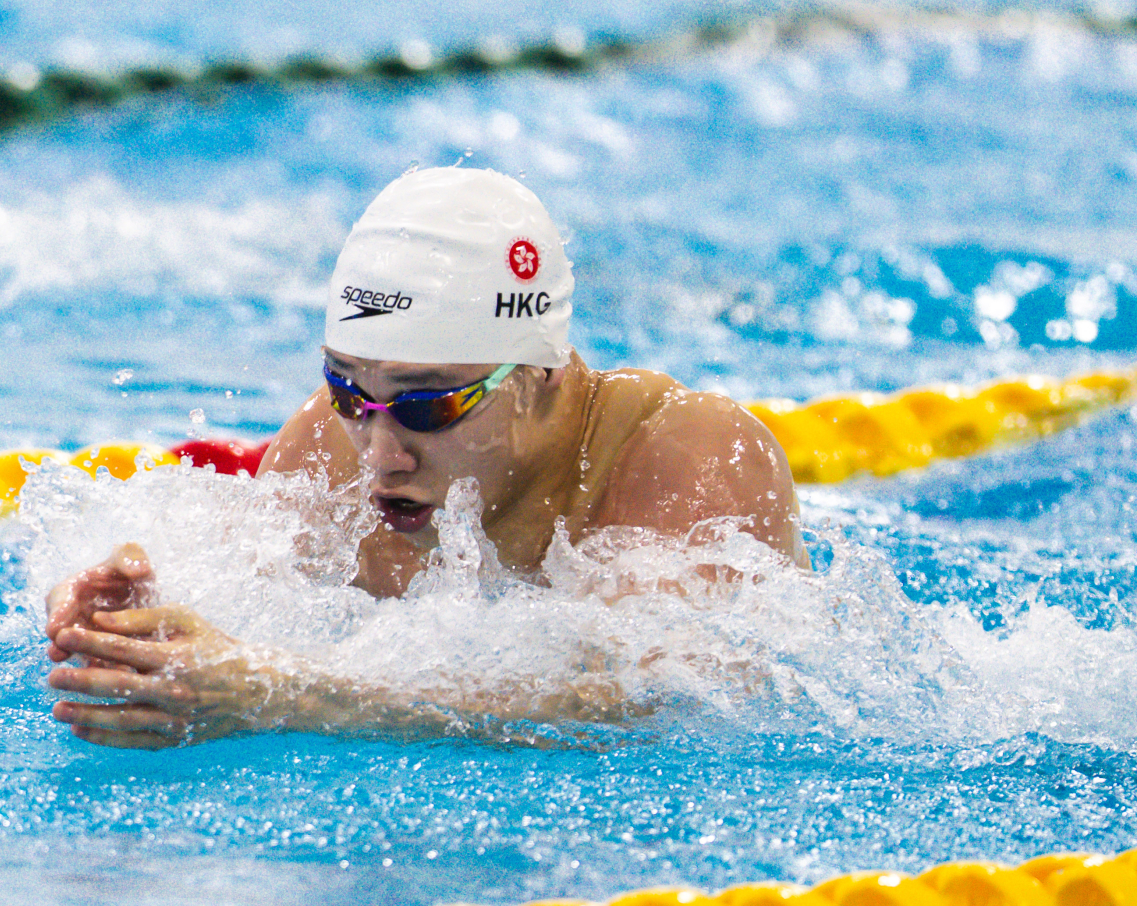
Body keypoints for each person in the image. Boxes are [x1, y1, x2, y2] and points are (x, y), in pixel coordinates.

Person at [46, 167, 808, 749]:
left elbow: (658, 703)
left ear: (537, 379)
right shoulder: (325, 440)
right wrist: (126, 621)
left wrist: (296, 696)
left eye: (428, 406)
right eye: (350, 391)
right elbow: (242, 605)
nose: (380, 458)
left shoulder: (685, 459)